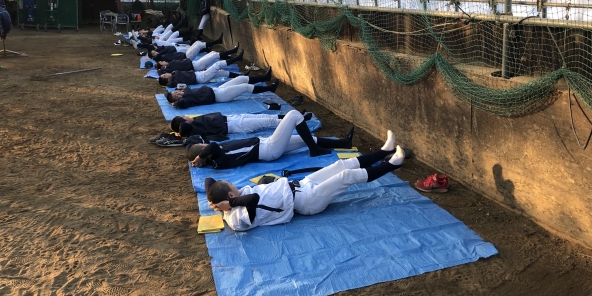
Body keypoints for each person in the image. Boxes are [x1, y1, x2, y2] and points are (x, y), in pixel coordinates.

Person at [205, 131, 405, 231]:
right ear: (230, 195)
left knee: (341, 165)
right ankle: (392, 164)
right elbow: (253, 200)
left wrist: (212, 200)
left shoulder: (236, 196)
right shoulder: (235, 217)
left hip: (301, 185)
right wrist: (229, 204)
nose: (237, 186)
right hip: (307, 202)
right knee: (347, 176)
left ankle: (384, 151)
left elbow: (208, 180)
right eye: (233, 187)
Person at [186, 109, 354, 169]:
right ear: (203, 152)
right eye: (202, 146)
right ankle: (315, 150)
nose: (205, 144)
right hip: (269, 150)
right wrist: (200, 157)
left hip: (266, 145)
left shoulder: (216, 155)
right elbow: (213, 147)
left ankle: (344, 143)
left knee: (305, 138)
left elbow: (212, 147)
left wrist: (201, 155)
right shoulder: (218, 161)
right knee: (294, 115)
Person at [151, 110, 315, 145]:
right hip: (233, 125)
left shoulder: (194, 123)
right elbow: (184, 128)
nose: (187, 116)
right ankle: (297, 121)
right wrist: (176, 132)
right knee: (268, 121)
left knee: (263, 116)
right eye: (184, 118)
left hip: (231, 118)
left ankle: (297, 116)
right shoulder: (193, 129)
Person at [166, 76, 280, 109]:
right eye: (177, 96)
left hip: (217, 89)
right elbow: (181, 104)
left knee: (240, 79)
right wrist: (175, 103)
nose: (178, 93)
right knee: (245, 87)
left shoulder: (185, 92)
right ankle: (270, 88)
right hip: (220, 96)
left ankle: (264, 77)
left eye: (176, 92)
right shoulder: (186, 100)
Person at [157, 49, 247, 88]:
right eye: (165, 75)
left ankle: (242, 77)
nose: (165, 73)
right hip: (201, 77)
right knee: (218, 64)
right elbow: (171, 84)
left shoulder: (174, 74)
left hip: (199, 73)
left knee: (220, 72)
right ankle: (237, 58)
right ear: (168, 80)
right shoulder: (175, 82)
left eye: (164, 74)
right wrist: (167, 83)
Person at [155, 43, 240, 73]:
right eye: (162, 62)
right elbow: (161, 72)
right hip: (196, 66)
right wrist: (159, 68)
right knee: (214, 55)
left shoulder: (170, 64)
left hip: (195, 63)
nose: (163, 61)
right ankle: (234, 52)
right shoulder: (169, 68)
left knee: (213, 53)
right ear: (162, 67)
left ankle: (232, 54)